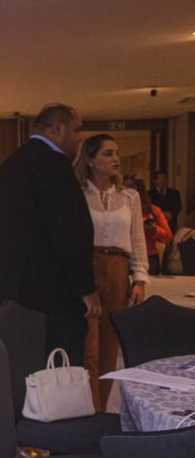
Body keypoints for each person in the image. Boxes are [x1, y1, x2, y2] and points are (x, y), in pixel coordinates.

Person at [0, 103, 99, 367]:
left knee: (22, 368)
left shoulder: (9, 166)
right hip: (53, 294)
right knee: (59, 371)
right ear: (57, 128)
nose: (78, 139)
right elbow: (67, 231)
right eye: (75, 130)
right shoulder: (54, 165)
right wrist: (85, 288)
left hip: (14, 293)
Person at [74, 136, 147, 410]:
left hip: (118, 269)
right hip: (88, 268)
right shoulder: (78, 195)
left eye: (117, 153)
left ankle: (101, 410)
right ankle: (89, 412)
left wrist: (139, 278)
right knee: (88, 350)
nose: (116, 158)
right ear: (91, 159)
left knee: (109, 348)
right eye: (107, 153)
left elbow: (137, 239)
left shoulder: (130, 197)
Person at [124, 176, 172, 275]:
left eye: (130, 186)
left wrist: (153, 230)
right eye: (124, 186)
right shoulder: (119, 210)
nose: (126, 190)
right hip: (124, 256)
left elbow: (168, 236)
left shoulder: (153, 211)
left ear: (139, 189)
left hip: (148, 256)